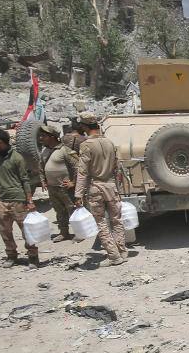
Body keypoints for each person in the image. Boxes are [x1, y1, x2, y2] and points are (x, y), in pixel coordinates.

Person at [74, 111, 128, 267]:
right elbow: (117, 168)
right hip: (112, 186)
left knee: (101, 222)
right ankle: (122, 251)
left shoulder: (86, 145)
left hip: (96, 187)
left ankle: (114, 256)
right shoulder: (109, 142)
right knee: (117, 220)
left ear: (85, 126)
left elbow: (83, 172)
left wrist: (78, 194)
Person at [0, 128, 39, 269]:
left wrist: (29, 200)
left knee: (26, 230)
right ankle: (11, 256)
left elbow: (25, 180)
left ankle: (33, 257)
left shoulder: (17, 158)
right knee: (5, 231)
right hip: (2, 200)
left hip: (18, 200)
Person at [38, 125, 79, 242]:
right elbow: (41, 167)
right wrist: (43, 181)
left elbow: (77, 167)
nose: (41, 138)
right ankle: (63, 233)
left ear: (52, 137)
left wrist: (73, 182)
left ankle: (79, 232)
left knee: (72, 210)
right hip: (52, 188)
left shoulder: (65, 150)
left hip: (65, 188)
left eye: (44, 136)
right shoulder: (45, 151)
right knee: (59, 211)